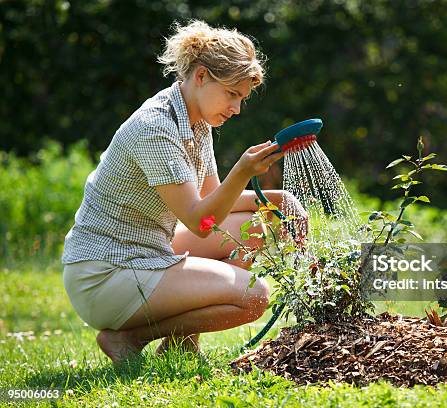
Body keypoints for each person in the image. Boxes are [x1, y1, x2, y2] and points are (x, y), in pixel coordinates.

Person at [61, 20, 307, 363]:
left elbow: (214, 202)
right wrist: (242, 171)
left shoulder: (195, 121)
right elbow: (200, 220)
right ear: (202, 76)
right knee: (254, 297)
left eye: (242, 98)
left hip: (147, 252)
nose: (236, 109)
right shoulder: (156, 129)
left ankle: (181, 343)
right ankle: (129, 337)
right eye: (232, 95)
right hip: (105, 274)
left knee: (254, 226)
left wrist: (281, 200)